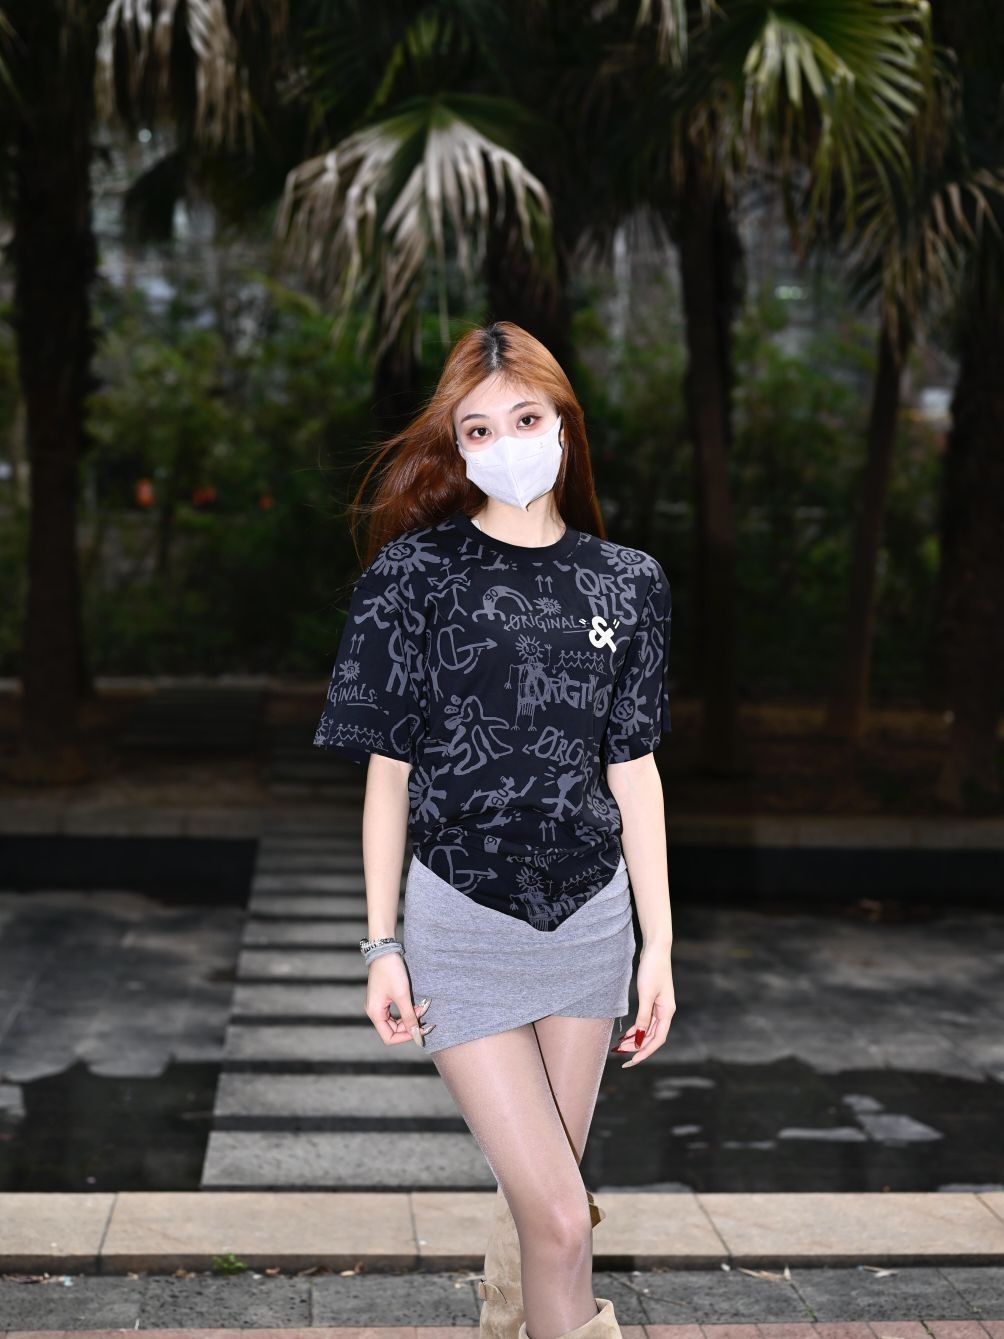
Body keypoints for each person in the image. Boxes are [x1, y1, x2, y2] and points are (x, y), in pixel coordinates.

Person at [314, 320, 676, 1339]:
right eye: (477, 429)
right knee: (560, 1216)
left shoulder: (630, 581)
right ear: (456, 446)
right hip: (462, 921)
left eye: (524, 418)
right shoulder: (413, 576)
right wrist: (381, 945)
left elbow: (633, 768)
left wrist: (657, 945)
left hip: (590, 921)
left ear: (563, 425)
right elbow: (387, 776)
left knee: (544, 1212)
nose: (504, 442)